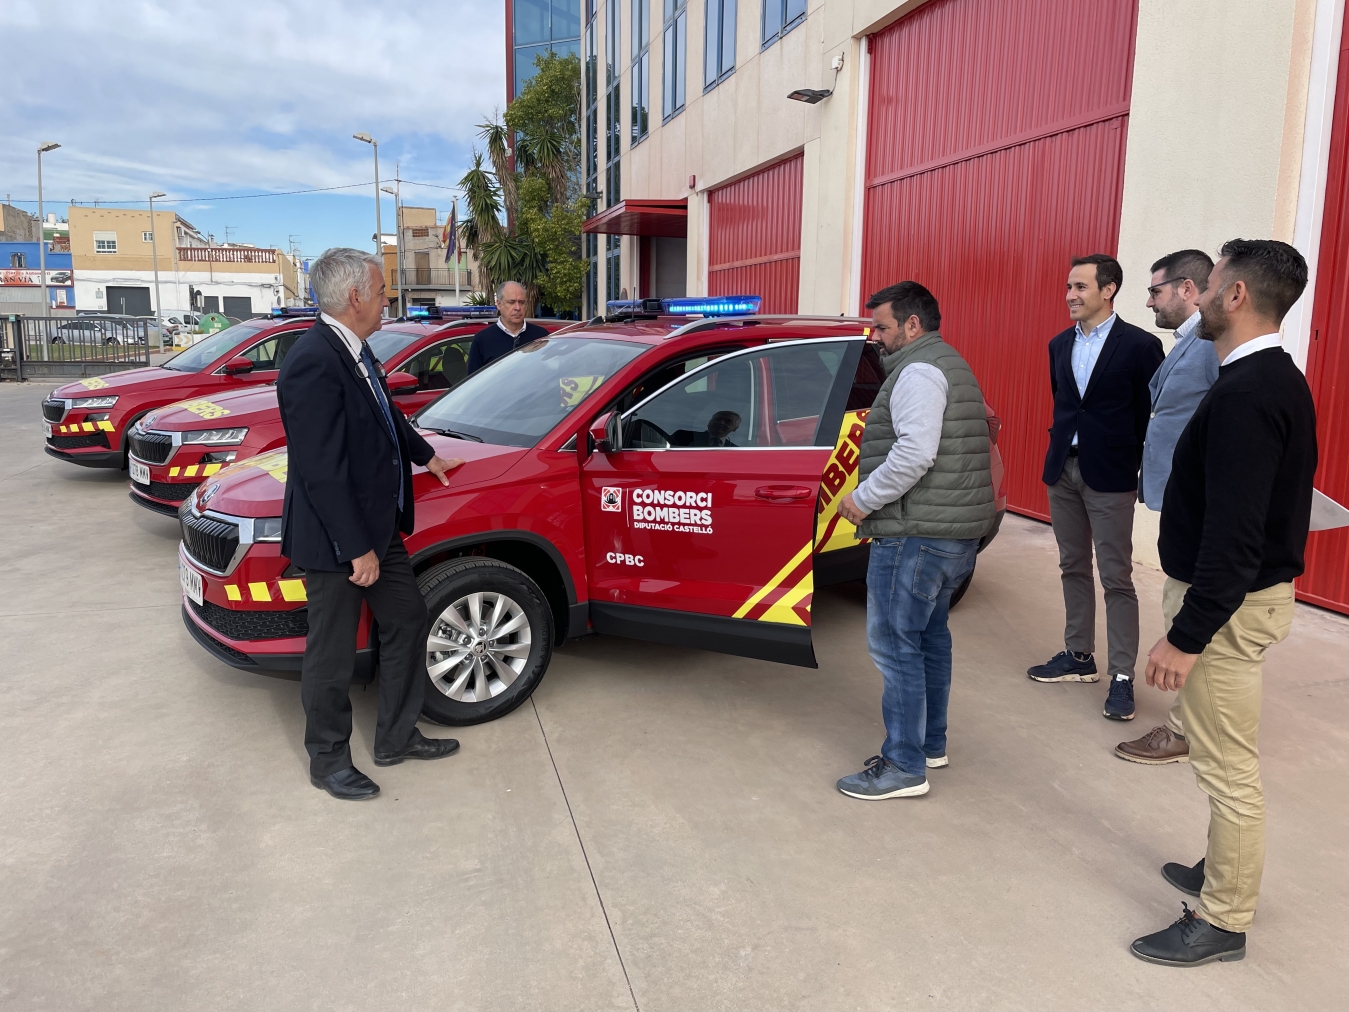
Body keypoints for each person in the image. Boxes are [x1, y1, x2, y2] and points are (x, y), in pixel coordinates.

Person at [1130, 239, 1316, 967]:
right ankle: (1222, 870)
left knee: (1224, 765)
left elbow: (1234, 540)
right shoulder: (1270, 379)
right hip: (1240, 603)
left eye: (1211, 288)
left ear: (1234, 296)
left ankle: (1221, 919)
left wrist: (1185, 635)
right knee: (1218, 753)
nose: (1199, 298)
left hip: (1229, 610)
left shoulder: (1246, 394)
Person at [277, 248, 465, 801]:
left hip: (377, 525)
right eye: (382, 292)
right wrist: (356, 547)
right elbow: (322, 469)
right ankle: (328, 759)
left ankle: (397, 736)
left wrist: (427, 455)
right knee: (331, 652)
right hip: (339, 537)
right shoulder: (313, 359)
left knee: (407, 616)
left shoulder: (356, 351)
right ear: (356, 297)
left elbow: (386, 418)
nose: (388, 301)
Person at [833, 282, 996, 800]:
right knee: (928, 638)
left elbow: (915, 453)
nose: (874, 337)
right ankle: (928, 745)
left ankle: (903, 765)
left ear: (911, 324)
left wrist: (862, 499)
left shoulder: (918, 371)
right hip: (950, 534)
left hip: (914, 536)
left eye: (881, 326)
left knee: (895, 645)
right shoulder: (947, 362)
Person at [1029, 254, 1164, 721]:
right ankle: (1079, 655)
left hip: (1109, 475)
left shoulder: (1141, 346)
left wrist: (1136, 467)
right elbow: (1065, 403)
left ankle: (1122, 675)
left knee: (1116, 576)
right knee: (1071, 565)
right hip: (1062, 469)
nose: (1070, 295)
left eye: (1081, 287)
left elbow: (1149, 413)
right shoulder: (1058, 344)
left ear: (1108, 290)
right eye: (1069, 286)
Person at [1116, 250, 1219, 766]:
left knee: (1192, 615)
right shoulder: (1187, 343)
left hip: (1197, 497)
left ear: (1186, 288)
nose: (1149, 300)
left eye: (1155, 291)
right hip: (1176, 493)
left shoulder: (1213, 343)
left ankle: (1184, 728)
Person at [466, 280, 549, 374]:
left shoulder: (541, 336)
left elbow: (552, 375)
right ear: (499, 304)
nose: (517, 308)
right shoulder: (482, 340)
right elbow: (473, 383)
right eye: (511, 302)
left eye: (521, 302)